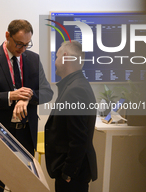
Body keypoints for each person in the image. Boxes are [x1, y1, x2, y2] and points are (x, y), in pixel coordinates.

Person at [0, 19, 53, 192]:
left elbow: (47, 92)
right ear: (7, 35)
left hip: (26, 132)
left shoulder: (33, 58)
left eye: (26, 44)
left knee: (24, 183)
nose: (22, 49)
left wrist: (28, 97)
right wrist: (10, 96)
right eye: (18, 44)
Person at [45, 40, 97, 192]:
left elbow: (79, 138)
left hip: (71, 176)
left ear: (65, 57)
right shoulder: (74, 85)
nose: (55, 62)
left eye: (56, 56)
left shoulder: (75, 90)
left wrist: (68, 172)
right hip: (72, 173)